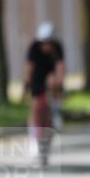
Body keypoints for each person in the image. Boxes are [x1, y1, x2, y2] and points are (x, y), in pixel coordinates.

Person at [23, 21, 66, 153]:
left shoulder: (57, 48)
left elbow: (60, 67)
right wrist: (26, 87)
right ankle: (33, 137)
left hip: (50, 75)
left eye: (48, 43)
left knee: (53, 80)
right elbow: (29, 69)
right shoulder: (34, 48)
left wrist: (60, 86)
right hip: (37, 76)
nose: (45, 46)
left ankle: (56, 109)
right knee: (36, 107)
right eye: (43, 42)